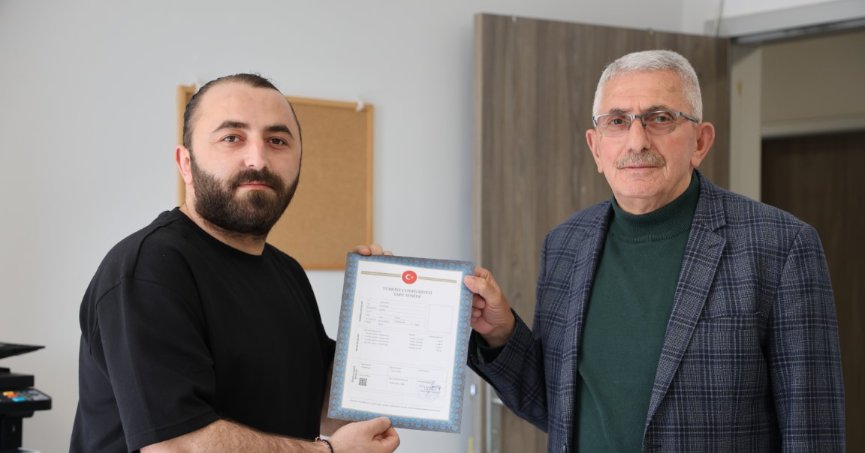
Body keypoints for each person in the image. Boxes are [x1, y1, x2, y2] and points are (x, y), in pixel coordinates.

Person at [464, 50, 845, 452]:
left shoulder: (781, 247)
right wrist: (501, 333)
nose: (637, 141)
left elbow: (813, 432)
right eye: (617, 121)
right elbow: (557, 407)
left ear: (701, 141)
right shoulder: (564, 245)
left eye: (660, 118)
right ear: (596, 147)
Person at [70, 74, 400, 453]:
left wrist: (377, 316)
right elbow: (176, 446)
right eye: (232, 138)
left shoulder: (287, 272)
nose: (258, 159)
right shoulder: (149, 269)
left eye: (277, 141)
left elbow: (327, 410)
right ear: (186, 163)